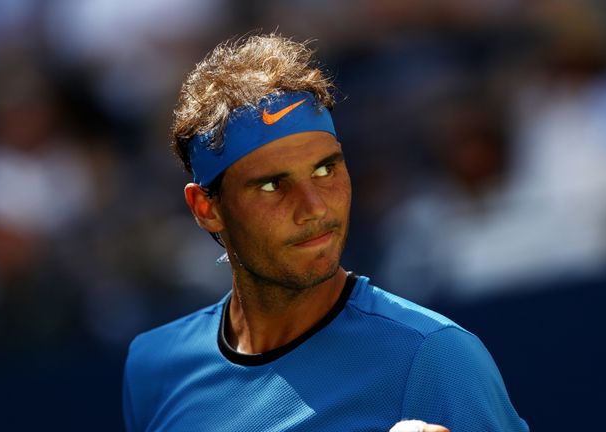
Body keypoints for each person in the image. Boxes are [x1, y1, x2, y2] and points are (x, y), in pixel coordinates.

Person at [122, 33, 528, 432]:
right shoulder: (153, 367)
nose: (314, 207)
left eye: (325, 169)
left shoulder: (438, 357)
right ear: (207, 209)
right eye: (271, 185)